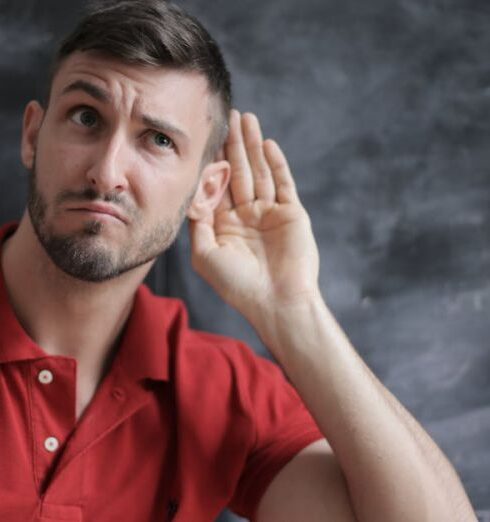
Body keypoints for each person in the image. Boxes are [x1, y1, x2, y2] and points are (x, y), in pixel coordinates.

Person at [0, 0, 476, 520]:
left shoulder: (222, 389)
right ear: (32, 135)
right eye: (86, 117)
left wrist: (294, 310)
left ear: (206, 192)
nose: (107, 171)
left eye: (157, 140)